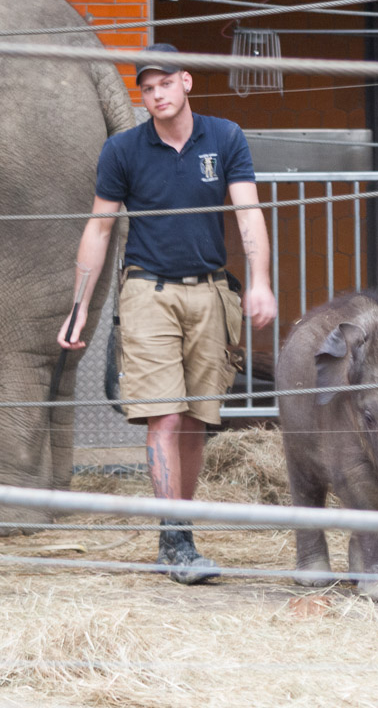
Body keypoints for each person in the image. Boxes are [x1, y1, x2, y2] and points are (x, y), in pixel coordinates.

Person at [58, 43, 277, 584]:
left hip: (209, 293)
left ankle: (177, 533)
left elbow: (248, 212)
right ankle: (176, 540)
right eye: (147, 88)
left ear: (186, 83)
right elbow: (99, 228)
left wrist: (262, 283)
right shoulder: (123, 150)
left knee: (197, 423)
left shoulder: (224, 137)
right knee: (166, 415)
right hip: (147, 293)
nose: (155, 95)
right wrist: (79, 307)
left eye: (163, 84)